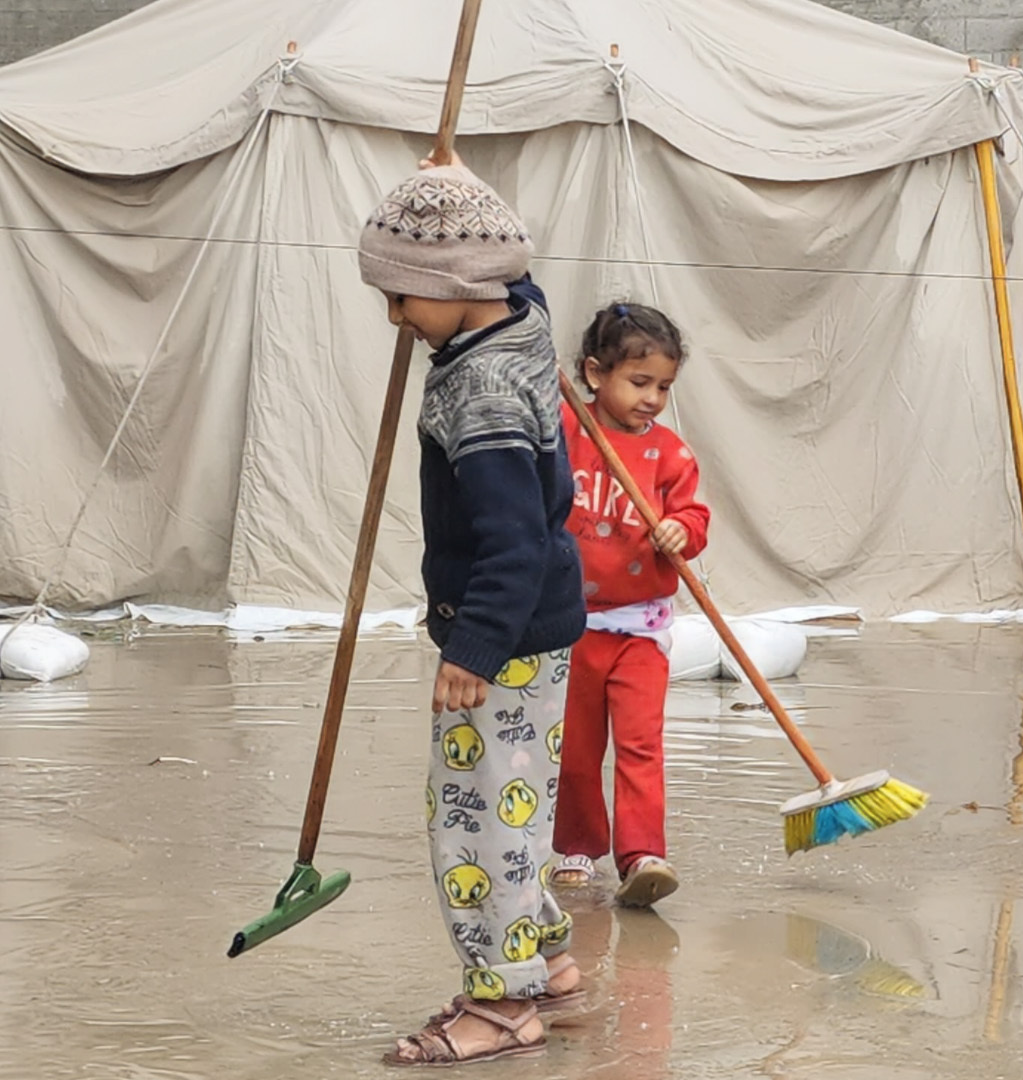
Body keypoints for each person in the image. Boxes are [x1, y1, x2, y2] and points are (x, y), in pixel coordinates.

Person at [359, 152, 588, 1066]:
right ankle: (550, 962)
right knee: (512, 809)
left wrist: (473, 648)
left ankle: (502, 1004)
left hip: (505, 637)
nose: (395, 317)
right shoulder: (522, 319)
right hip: (539, 632)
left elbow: (514, 542)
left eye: (400, 297)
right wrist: (459, 183)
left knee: (474, 823)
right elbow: (516, 270)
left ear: (457, 283)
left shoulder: (481, 391)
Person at [550, 303, 709, 908]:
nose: (652, 399)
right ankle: (576, 846)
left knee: (641, 744)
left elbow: (694, 516)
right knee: (576, 748)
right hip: (571, 625)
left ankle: (642, 854)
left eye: (664, 387)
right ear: (595, 373)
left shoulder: (672, 455)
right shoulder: (566, 429)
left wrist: (680, 529)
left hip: (642, 629)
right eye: (639, 382)